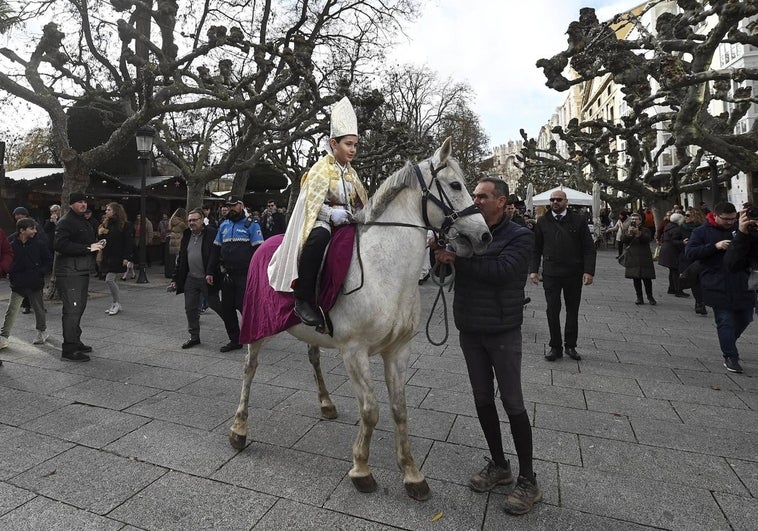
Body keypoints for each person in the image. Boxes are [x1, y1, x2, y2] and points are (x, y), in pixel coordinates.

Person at [435, 177, 541, 515]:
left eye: (482, 196)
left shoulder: (521, 235)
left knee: (513, 403)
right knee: (482, 400)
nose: (476, 200)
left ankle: (528, 479)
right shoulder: (466, 232)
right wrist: (440, 256)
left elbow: (503, 271)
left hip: (502, 331)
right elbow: (443, 275)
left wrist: (457, 259)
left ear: (502, 201)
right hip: (471, 328)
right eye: (474, 196)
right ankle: (499, 465)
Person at [268, 96, 368, 327]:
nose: (353, 150)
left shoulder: (352, 174)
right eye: (348, 144)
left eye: (355, 145)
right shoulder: (320, 169)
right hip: (323, 221)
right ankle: (302, 298)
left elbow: (362, 202)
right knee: (319, 238)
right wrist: (331, 215)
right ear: (334, 144)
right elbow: (310, 204)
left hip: (349, 222)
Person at [685, 202, 753, 373]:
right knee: (725, 320)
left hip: (742, 282)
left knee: (746, 317)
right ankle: (730, 356)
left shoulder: (743, 229)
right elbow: (690, 253)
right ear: (715, 215)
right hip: (716, 282)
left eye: (733, 219)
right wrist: (715, 246)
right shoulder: (701, 232)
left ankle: (729, 340)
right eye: (726, 219)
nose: (730, 222)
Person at [529, 189, 596, 361]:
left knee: (572, 310)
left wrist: (588, 271)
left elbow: (589, 247)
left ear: (566, 201)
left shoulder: (578, 220)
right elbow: (536, 248)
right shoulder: (543, 221)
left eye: (558, 199)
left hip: (573, 273)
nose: (555, 202)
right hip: (551, 273)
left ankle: (571, 346)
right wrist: (533, 270)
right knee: (552, 310)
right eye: (552, 200)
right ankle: (555, 346)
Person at [54, 192, 105, 362]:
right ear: (70, 204)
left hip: (80, 271)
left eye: (85, 202)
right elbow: (60, 245)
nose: (83, 204)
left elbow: (85, 242)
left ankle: (75, 341)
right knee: (72, 310)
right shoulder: (66, 222)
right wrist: (88, 248)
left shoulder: (82, 220)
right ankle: (69, 349)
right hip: (70, 273)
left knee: (78, 308)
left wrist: (96, 245)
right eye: (79, 202)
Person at [210, 195, 263, 352]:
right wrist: (210, 271)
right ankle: (235, 340)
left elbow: (259, 251)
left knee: (244, 306)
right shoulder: (223, 225)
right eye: (229, 206)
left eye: (234, 205)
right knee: (227, 309)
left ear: (241, 205)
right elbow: (215, 250)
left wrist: (258, 275)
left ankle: (255, 333)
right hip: (228, 275)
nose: (231, 208)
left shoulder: (251, 225)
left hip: (245, 275)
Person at [168, 208, 222, 349]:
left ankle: (235, 334)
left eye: (195, 220)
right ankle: (194, 337)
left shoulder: (211, 233)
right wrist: (175, 278)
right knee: (190, 309)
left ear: (202, 220)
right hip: (191, 279)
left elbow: (217, 255)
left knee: (217, 306)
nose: (191, 223)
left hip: (207, 278)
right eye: (189, 220)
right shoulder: (186, 234)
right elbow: (181, 259)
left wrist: (214, 272)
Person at [0, 218, 51, 349]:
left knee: (38, 309)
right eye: (32, 228)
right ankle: (4, 336)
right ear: (22, 230)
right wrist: (10, 272)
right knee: (12, 310)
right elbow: (8, 259)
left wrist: (40, 272)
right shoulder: (12, 244)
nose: (35, 231)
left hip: (35, 282)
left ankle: (42, 331)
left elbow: (48, 260)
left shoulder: (39, 243)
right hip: (18, 283)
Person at [98, 202, 134, 316]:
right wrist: (100, 234)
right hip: (108, 255)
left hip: (118, 256)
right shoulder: (106, 223)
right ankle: (115, 303)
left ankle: (116, 302)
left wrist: (126, 257)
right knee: (109, 279)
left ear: (115, 211)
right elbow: (104, 240)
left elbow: (129, 242)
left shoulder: (125, 225)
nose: (106, 211)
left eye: (109, 209)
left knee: (109, 279)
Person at [622, 212, 657, 305]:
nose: (633, 220)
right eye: (632, 219)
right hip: (633, 256)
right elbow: (623, 240)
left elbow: (647, 239)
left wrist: (638, 233)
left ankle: (650, 297)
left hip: (644, 257)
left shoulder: (645, 230)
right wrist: (629, 234)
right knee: (636, 279)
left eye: (635, 219)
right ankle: (639, 297)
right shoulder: (627, 229)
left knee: (647, 279)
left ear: (640, 221)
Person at [680, 208, 707, 315]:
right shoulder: (682, 227)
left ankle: (702, 301)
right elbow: (672, 240)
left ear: (696, 216)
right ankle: (699, 303)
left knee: (703, 280)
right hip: (686, 257)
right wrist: (681, 242)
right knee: (694, 281)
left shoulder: (703, 228)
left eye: (688, 215)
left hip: (700, 256)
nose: (685, 217)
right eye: (685, 215)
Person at [658, 212, 688, 297]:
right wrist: (682, 242)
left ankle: (671, 288)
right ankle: (678, 290)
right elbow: (674, 241)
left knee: (672, 270)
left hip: (666, 250)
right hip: (672, 251)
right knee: (676, 271)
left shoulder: (668, 226)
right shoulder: (677, 228)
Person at [165, 208, 187, 279]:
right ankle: (178, 274)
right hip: (179, 240)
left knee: (176, 258)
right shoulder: (181, 223)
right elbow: (187, 229)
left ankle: (176, 274)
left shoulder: (172, 220)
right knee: (179, 258)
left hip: (173, 240)